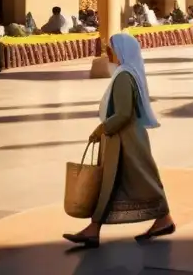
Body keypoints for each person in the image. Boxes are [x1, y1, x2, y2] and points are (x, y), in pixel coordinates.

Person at [63, 33, 174, 248]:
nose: (107, 53)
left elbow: (123, 113)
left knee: (134, 180)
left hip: (125, 140)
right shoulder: (128, 73)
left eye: (111, 49)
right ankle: (95, 229)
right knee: (121, 182)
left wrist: (102, 128)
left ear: (122, 51)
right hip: (125, 138)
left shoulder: (124, 76)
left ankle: (163, 218)